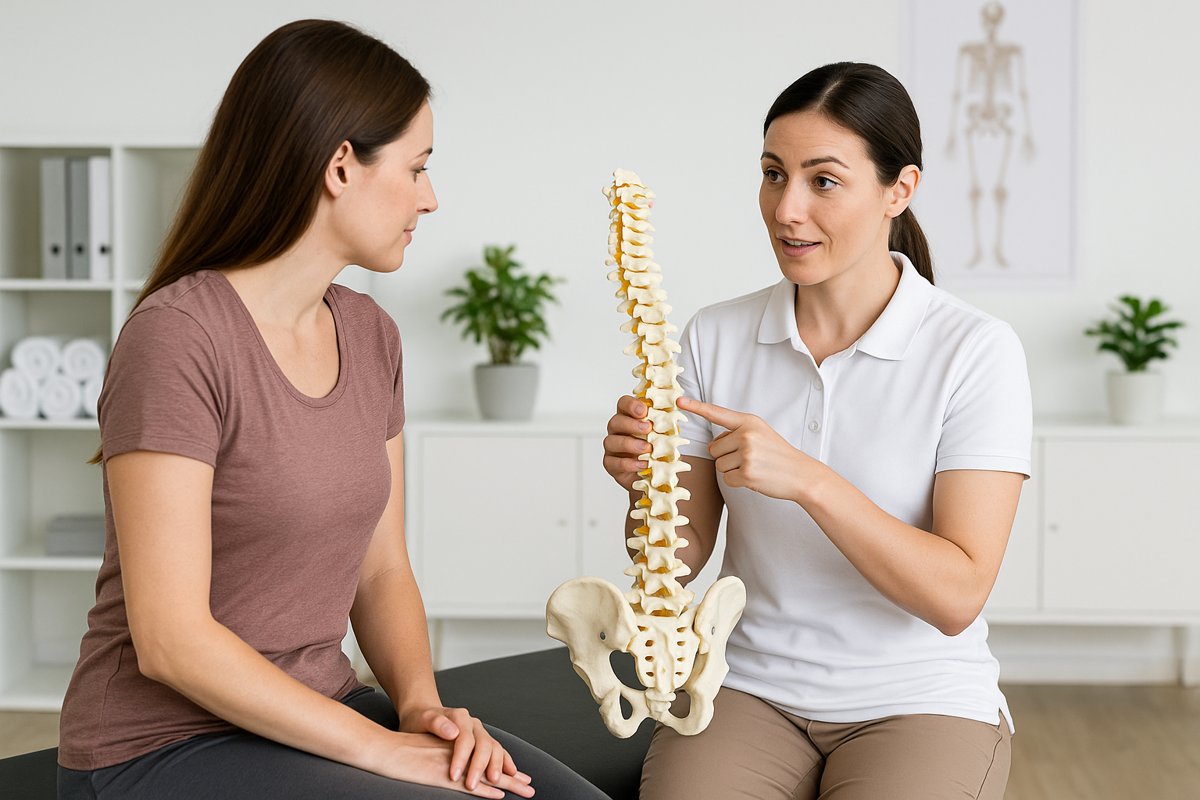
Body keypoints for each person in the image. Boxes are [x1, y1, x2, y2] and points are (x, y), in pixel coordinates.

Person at [57, 19, 605, 800]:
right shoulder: (177, 340)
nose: (431, 197)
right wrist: (378, 751)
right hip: (158, 745)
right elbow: (171, 641)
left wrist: (422, 711)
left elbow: (382, 572)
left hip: (320, 711)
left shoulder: (370, 334)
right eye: (417, 169)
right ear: (341, 166)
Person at [603, 62, 1030, 800]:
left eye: (823, 181)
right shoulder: (716, 335)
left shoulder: (974, 351)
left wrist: (808, 479)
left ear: (900, 189)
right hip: (749, 689)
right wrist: (649, 489)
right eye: (773, 174)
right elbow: (682, 557)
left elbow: (957, 595)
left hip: (919, 698)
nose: (786, 209)